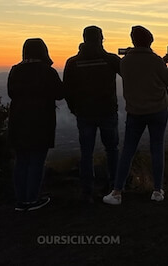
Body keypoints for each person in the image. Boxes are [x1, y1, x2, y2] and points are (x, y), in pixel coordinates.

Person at [103, 26, 168, 205]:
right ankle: (157, 191)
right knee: (157, 148)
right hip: (158, 110)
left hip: (135, 112)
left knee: (127, 150)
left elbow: (139, 70)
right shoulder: (155, 61)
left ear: (132, 40)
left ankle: (116, 192)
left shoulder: (125, 61)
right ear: (150, 41)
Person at [63, 26, 121, 203]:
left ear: (84, 38)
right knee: (112, 150)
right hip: (107, 111)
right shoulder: (110, 59)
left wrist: (74, 108)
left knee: (86, 153)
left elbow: (67, 89)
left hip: (84, 113)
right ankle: (115, 188)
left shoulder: (73, 62)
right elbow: (129, 73)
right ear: (101, 38)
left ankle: (87, 192)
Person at [7, 38, 64, 211]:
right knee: (37, 161)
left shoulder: (15, 70)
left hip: (18, 120)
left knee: (22, 160)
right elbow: (59, 93)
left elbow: (11, 93)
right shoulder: (47, 71)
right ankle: (32, 199)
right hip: (41, 121)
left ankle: (21, 200)